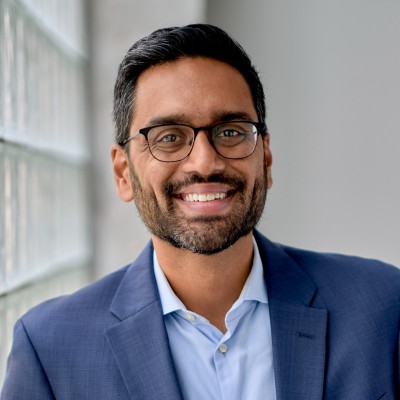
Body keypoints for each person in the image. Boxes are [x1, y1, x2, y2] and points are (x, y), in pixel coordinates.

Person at [1, 24, 399, 400]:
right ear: (123, 173)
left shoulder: (383, 308)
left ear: (266, 158)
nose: (205, 162)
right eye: (169, 137)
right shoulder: (50, 349)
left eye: (231, 131)